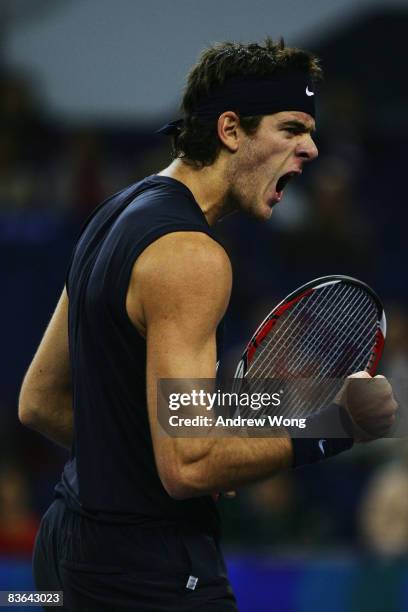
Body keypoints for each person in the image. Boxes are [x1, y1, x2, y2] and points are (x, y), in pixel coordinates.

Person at [19, 38, 397, 611]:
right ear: (230, 130)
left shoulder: (113, 215)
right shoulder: (192, 258)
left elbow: (39, 400)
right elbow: (189, 462)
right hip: (148, 570)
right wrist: (338, 419)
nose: (312, 149)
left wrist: (167, 456)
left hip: (67, 549)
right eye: (292, 128)